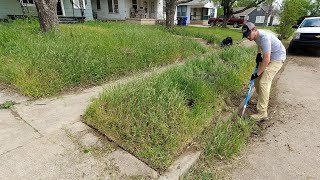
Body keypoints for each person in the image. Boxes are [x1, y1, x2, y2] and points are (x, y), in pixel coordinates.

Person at [242, 22, 286, 121]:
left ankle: (262, 113)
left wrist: (257, 73)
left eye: (248, 34)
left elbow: (267, 60)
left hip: (278, 58)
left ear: (254, 29)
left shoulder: (264, 37)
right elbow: (259, 44)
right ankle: (261, 100)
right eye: (245, 36)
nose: (247, 37)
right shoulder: (256, 36)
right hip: (270, 57)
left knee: (264, 82)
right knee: (257, 81)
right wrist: (258, 54)